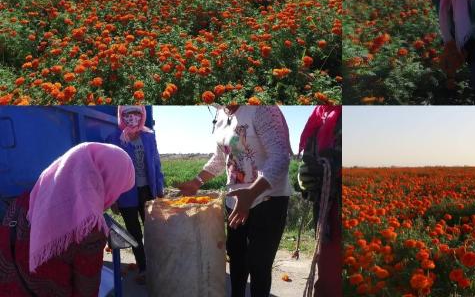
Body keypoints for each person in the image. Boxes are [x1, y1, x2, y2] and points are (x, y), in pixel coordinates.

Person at [177, 105, 293, 297]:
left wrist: (251, 192)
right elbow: (221, 158)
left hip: (267, 198)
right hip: (237, 200)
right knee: (237, 259)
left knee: (259, 264)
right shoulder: (222, 115)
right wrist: (196, 182)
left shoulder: (262, 109)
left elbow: (280, 157)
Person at [0, 142, 135, 297]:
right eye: (119, 189)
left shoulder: (29, 199)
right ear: (106, 181)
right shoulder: (89, 230)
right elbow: (86, 291)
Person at [106, 105, 164, 284]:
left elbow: (156, 163)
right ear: (121, 115)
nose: (133, 117)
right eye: (128, 114)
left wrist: (160, 188)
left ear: (142, 115)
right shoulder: (114, 138)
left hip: (147, 190)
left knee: (152, 229)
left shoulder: (148, 136)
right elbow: (110, 171)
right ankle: (143, 267)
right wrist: (113, 197)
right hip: (125, 193)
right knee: (134, 232)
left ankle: (156, 265)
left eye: (136, 113)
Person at [297, 106, 342, 297]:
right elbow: (311, 158)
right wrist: (305, 180)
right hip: (325, 211)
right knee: (327, 272)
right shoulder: (319, 115)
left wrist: (333, 169)